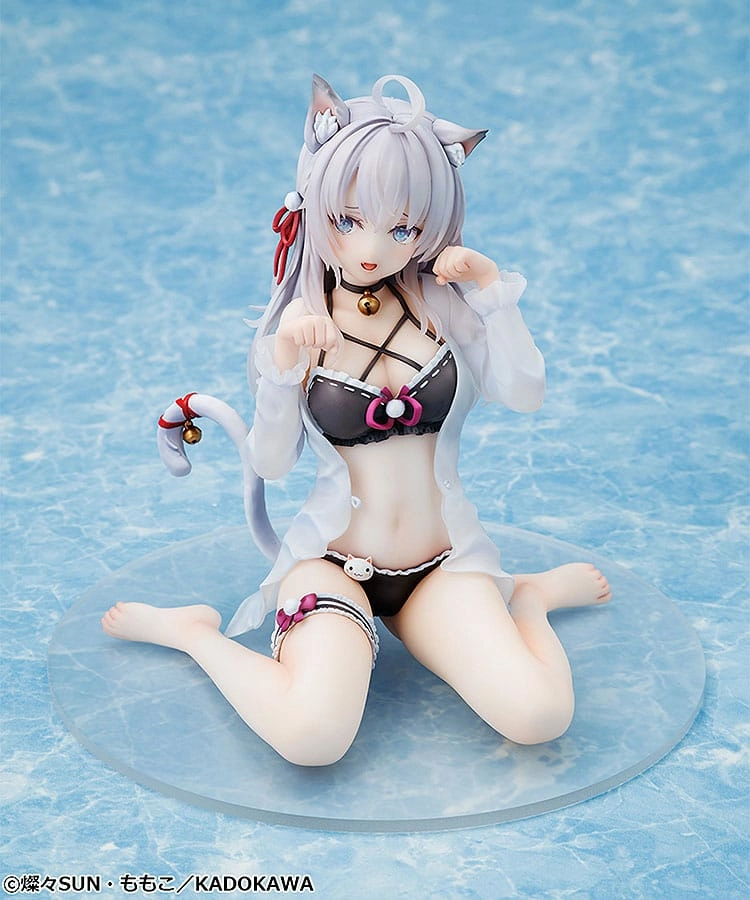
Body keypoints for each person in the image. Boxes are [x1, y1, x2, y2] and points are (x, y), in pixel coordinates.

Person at [102, 75, 610, 767]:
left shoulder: (443, 304)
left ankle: (527, 600)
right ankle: (195, 635)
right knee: (312, 740)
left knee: (540, 716)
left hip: (442, 567)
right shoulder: (298, 325)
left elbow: (524, 394)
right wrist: (284, 367)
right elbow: (272, 462)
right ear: (314, 203)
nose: (371, 247)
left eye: (402, 228)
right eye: (347, 220)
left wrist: (494, 294)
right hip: (335, 565)